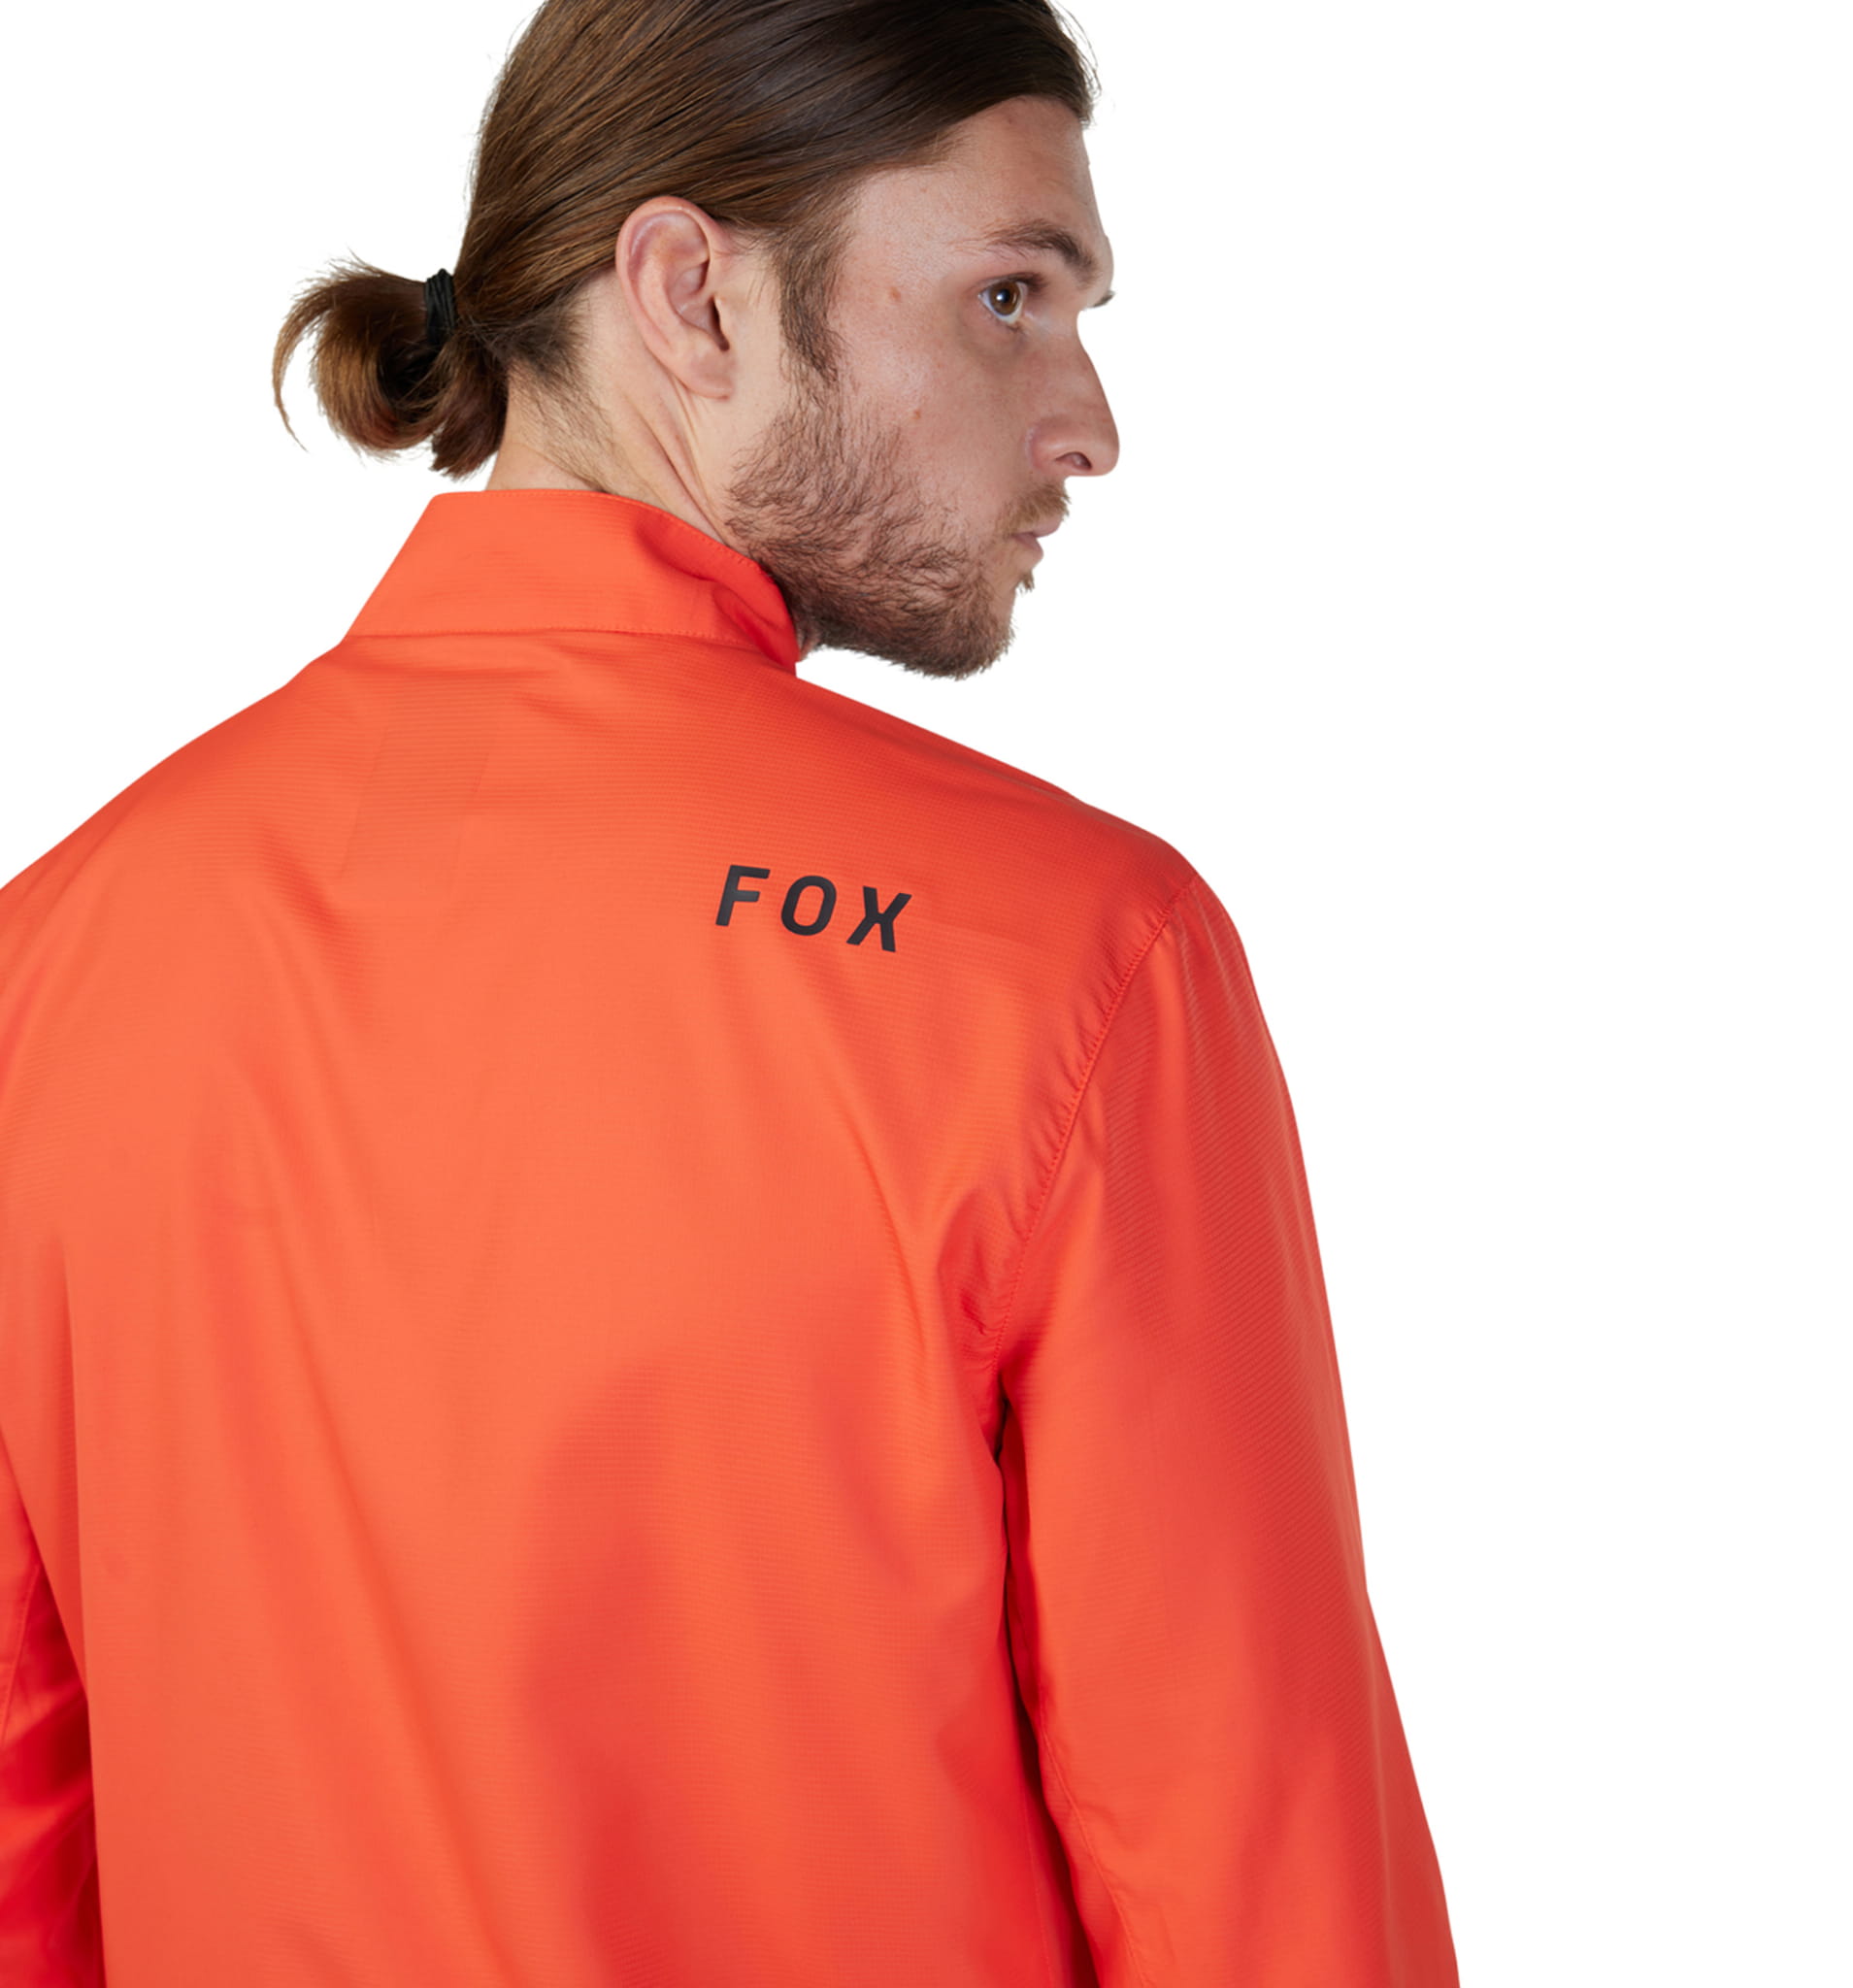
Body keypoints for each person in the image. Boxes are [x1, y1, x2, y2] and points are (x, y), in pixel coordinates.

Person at [0, 1, 1458, 1981]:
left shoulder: (52, 957)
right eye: (1010, 297)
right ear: (692, 295)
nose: (1088, 420)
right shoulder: (1068, 959)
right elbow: (1260, 1888)